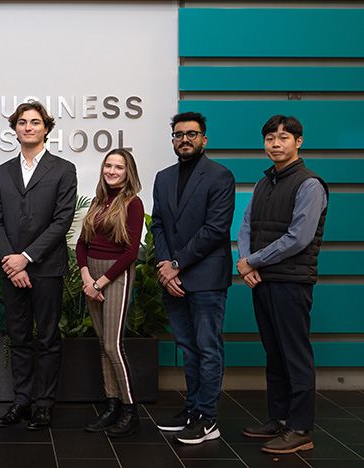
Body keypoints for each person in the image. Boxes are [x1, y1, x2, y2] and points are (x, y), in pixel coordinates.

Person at [236, 115, 327, 454]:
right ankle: (279, 419)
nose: (275, 143)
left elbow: (298, 238)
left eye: (283, 138)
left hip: (291, 281)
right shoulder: (264, 183)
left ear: (298, 142)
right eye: (270, 138)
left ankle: (300, 428)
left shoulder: (309, 184)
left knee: (295, 355)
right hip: (262, 280)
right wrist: (246, 264)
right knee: (274, 354)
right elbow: (247, 224)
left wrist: (253, 261)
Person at [0, 101, 77, 430]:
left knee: (49, 338)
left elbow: (62, 220)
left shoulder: (63, 169)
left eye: (35, 122)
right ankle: (21, 402)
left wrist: (26, 258)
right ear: (15, 129)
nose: (28, 127)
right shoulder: (1, 172)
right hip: (12, 269)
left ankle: (44, 405)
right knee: (19, 337)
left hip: (47, 267)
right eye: (22, 122)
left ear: (46, 128)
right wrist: (12, 263)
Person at [151, 112, 235, 444]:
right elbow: (158, 225)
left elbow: (215, 230)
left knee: (208, 348)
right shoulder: (163, 177)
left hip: (206, 279)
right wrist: (164, 265)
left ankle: (208, 418)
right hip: (173, 278)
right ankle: (192, 410)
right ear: (173, 139)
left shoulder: (220, 176)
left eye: (192, 134)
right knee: (188, 348)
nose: (184, 139)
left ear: (204, 139)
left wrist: (176, 264)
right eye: (178, 134)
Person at [76, 149, 144, 438]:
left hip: (115, 276)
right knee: (103, 343)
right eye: (108, 165)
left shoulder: (133, 203)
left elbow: (131, 252)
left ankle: (130, 410)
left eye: (119, 167)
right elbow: (82, 244)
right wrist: (86, 277)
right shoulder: (98, 201)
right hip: (92, 276)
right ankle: (111, 404)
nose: (112, 171)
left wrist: (100, 282)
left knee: (114, 345)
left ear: (128, 172)